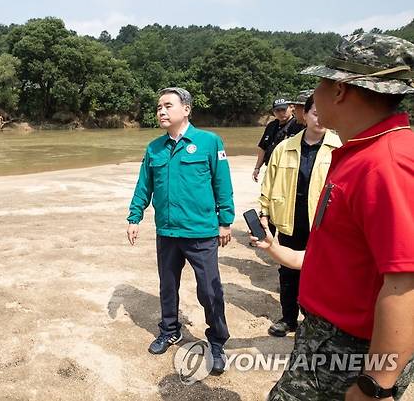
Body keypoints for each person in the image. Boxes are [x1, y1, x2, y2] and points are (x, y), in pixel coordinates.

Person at [251, 33, 414, 400]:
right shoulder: (361, 153)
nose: (315, 93)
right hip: (328, 338)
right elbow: (351, 255)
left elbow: (405, 283)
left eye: (321, 81)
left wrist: (375, 386)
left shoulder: (387, 164)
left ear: (340, 90)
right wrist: (286, 254)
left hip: (351, 347)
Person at [126, 87, 234, 374]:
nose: (161, 111)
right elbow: (144, 186)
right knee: (167, 285)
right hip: (168, 232)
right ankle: (170, 329)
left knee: (210, 290)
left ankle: (217, 342)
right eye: (159, 106)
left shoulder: (209, 142)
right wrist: (134, 216)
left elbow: (222, 184)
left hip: (201, 231)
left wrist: (226, 221)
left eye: (168, 105)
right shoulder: (154, 149)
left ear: (186, 109)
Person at [259, 95, 341, 338]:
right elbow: (268, 184)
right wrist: (264, 213)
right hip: (290, 221)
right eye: (316, 112)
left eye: (326, 112)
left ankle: (314, 318)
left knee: (320, 273)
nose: (321, 118)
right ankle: (288, 318)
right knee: (288, 272)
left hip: (324, 224)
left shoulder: (340, 148)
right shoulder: (284, 148)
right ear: (304, 115)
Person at [252, 99, 305, 183]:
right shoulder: (271, 126)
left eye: (283, 110)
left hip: (288, 170)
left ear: (291, 108)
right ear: (273, 112)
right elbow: (263, 148)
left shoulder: (298, 125)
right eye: (277, 110)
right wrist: (257, 168)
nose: (281, 113)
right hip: (270, 168)